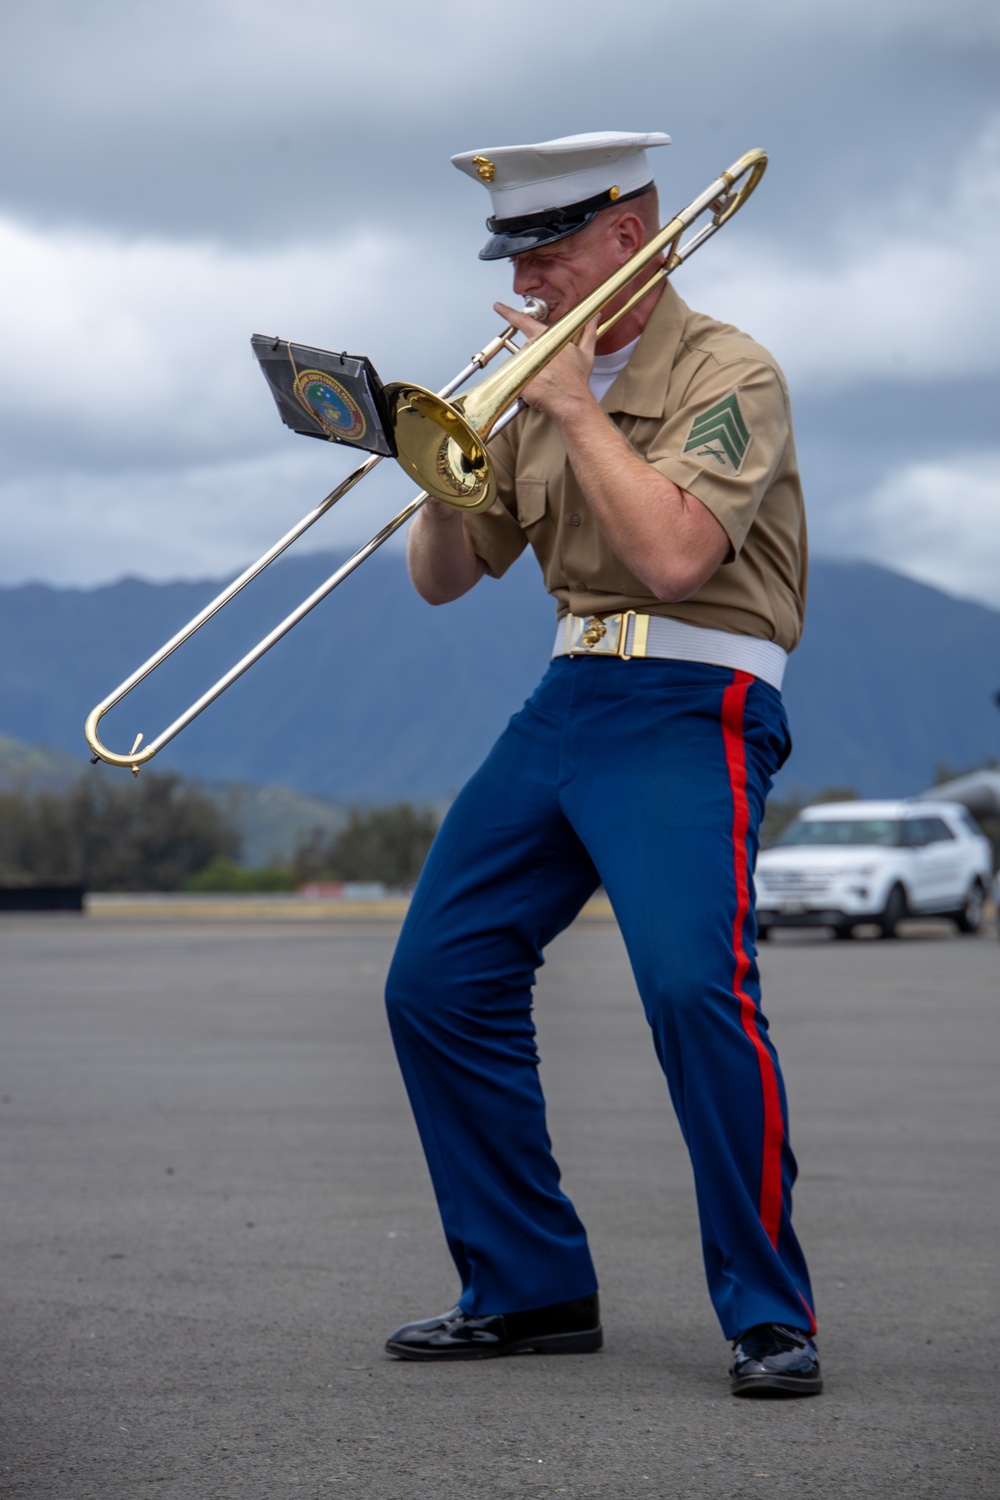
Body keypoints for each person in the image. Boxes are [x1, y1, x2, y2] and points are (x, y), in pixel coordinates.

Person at [383, 131, 821, 1397]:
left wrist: (572, 405)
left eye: (548, 256)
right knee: (437, 980)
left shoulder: (728, 369)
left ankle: (766, 1312)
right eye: (514, 264)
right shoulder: (533, 376)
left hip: (695, 694)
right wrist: (437, 461)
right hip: (570, 689)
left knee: (694, 992)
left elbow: (679, 558)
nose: (526, 289)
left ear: (629, 239)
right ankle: (527, 1290)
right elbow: (442, 584)